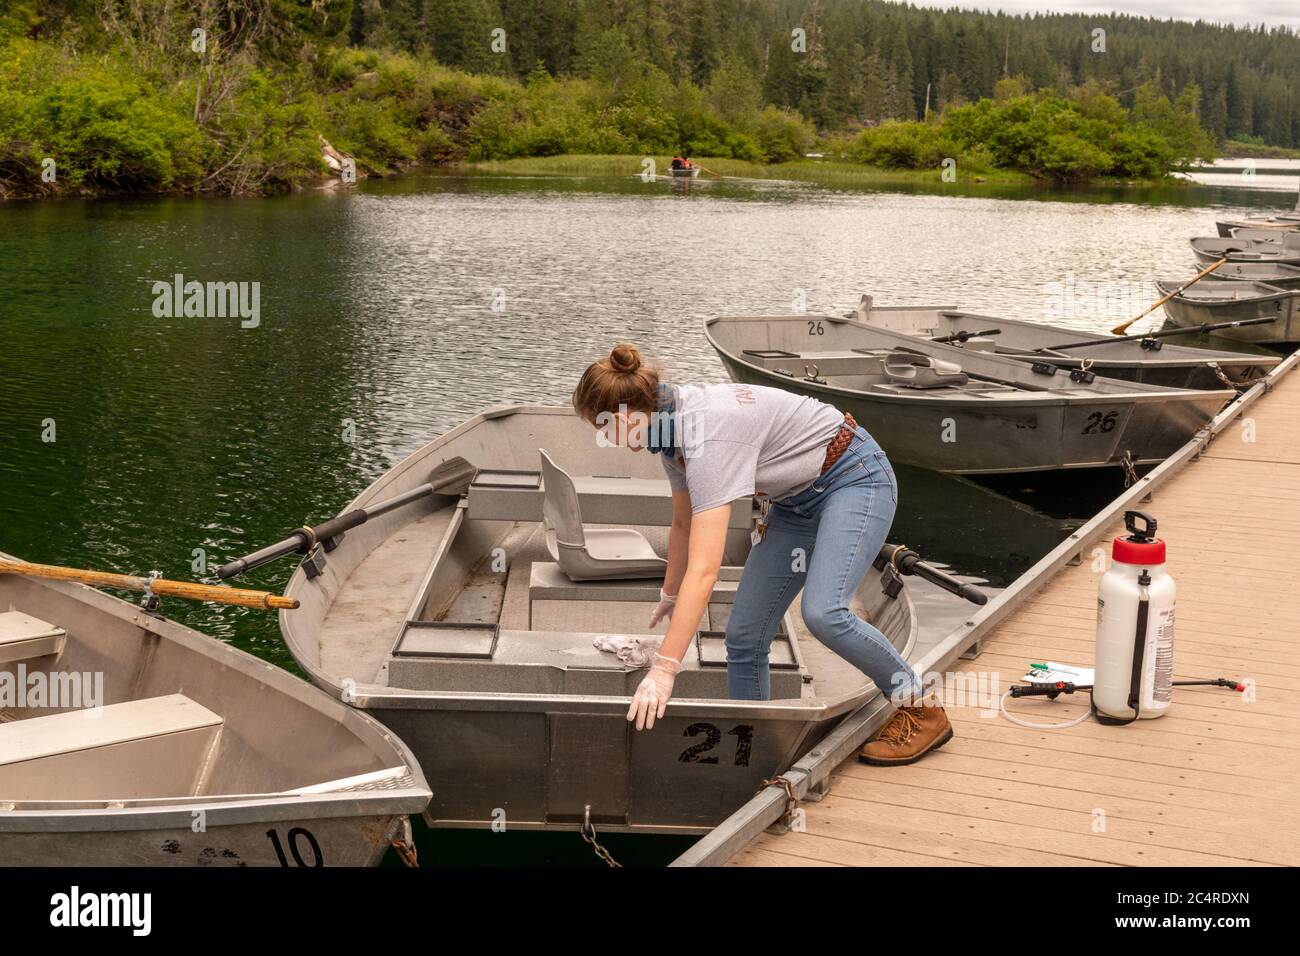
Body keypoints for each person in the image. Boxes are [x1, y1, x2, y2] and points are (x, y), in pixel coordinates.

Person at [569, 344, 953, 766]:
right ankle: (752, 754)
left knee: (824, 613)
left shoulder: (707, 435)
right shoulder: (667, 429)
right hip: (792, 502)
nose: (605, 439)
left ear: (622, 418)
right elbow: (683, 523)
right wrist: (670, 593)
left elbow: (706, 569)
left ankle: (920, 707)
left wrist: (664, 670)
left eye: (602, 429)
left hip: (853, 478)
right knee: (744, 638)